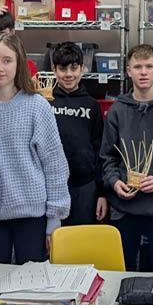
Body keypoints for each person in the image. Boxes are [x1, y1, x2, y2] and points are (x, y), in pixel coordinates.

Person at [0, 31, 69, 263]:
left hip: (31, 214)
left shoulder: (37, 106)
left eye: (6, 60)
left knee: (30, 279)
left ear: (19, 63)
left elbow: (54, 164)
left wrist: (55, 218)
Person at [101, 44, 153, 273]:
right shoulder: (117, 111)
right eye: (137, 67)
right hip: (124, 207)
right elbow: (107, 156)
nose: (143, 72)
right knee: (121, 267)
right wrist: (114, 182)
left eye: (148, 66)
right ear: (128, 71)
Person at [49, 42, 107, 225]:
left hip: (85, 187)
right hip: (51, 187)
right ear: (54, 70)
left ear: (82, 69)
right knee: (53, 239)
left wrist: (102, 193)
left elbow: (100, 149)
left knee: (82, 238)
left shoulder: (92, 105)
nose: (68, 74)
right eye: (62, 68)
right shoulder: (44, 103)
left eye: (74, 68)